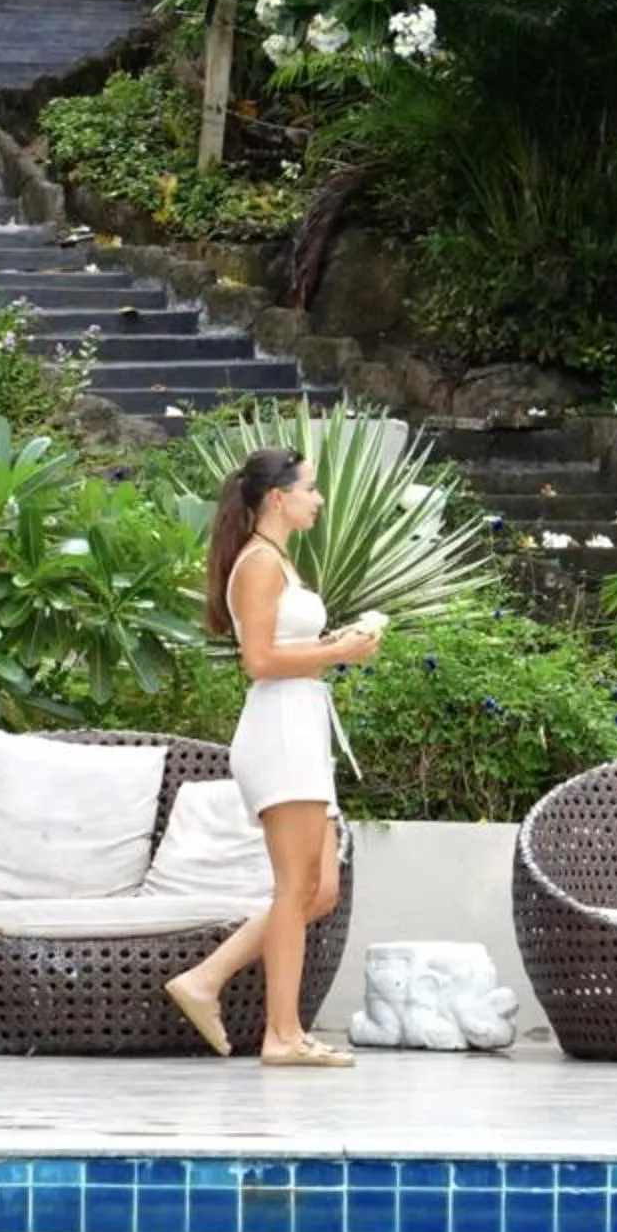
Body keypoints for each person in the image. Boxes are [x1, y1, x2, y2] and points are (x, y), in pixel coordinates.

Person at [162, 446, 381, 1068]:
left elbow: (286, 647)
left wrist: (331, 643)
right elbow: (257, 662)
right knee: (296, 888)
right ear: (278, 498)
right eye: (310, 489)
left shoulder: (279, 561)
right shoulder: (258, 563)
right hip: (279, 729)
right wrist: (337, 655)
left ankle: (207, 979)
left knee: (321, 890)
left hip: (301, 725)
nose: (317, 499)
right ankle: (281, 1035)